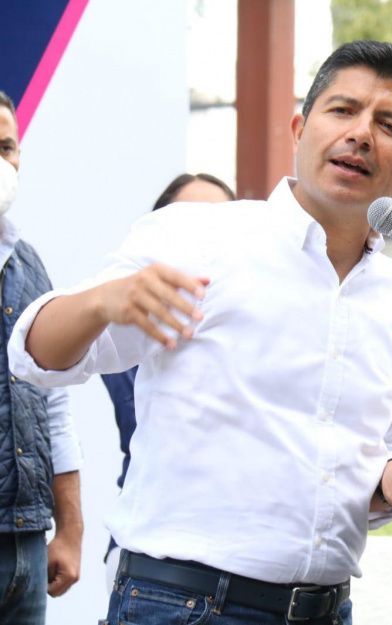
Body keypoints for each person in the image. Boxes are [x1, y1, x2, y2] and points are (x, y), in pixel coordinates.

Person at [7, 41, 392, 625]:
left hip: (326, 608)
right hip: (184, 604)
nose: (361, 134)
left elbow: (349, 464)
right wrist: (103, 302)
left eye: (388, 125)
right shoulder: (198, 237)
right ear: (300, 128)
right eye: (342, 111)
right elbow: (34, 357)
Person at [100, 172, 235, 587]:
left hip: (249, 574)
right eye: (188, 220)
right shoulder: (131, 334)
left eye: (221, 222)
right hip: (156, 566)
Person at [0, 91, 83, 624]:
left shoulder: (29, 262)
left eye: (6, 147)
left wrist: (70, 530)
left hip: (26, 543)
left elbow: (54, 402)